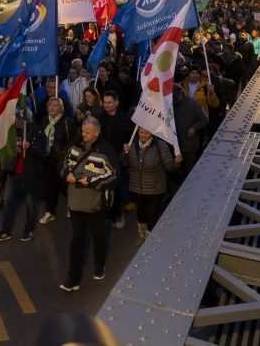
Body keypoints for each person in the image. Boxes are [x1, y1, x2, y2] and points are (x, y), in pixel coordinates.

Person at [59, 116, 117, 292]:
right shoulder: (74, 146)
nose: (84, 135)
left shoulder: (106, 150)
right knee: (76, 241)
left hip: (95, 205)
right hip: (75, 204)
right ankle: (73, 278)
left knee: (98, 238)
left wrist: (91, 181)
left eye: (88, 132)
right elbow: (63, 164)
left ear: (97, 133)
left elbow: (113, 176)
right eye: (83, 131)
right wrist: (65, 174)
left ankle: (99, 265)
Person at [0, 116, 43, 243]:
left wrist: (30, 146)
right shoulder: (10, 132)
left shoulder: (36, 130)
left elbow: (43, 151)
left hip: (30, 176)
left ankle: (29, 230)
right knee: (8, 203)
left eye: (19, 118)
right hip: (14, 173)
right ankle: (5, 230)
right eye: (14, 119)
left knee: (30, 205)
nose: (17, 121)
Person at [122, 128, 176, 244]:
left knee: (152, 216)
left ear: (152, 133)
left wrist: (176, 161)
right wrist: (125, 154)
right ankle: (141, 235)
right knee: (141, 214)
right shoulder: (131, 144)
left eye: (146, 133)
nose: (143, 135)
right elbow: (124, 164)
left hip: (155, 189)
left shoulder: (160, 145)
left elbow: (170, 167)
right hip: (137, 187)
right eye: (141, 132)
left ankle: (150, 239)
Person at [37, 96, 75, 225]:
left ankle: (72, 206)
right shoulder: (44, 120)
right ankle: (50, 212)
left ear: (61, 108)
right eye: (50, 105)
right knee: (49, 187)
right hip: (46, 160)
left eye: (55, 105)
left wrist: (66, 155)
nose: (52, 108)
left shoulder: (67, 122)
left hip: (62, 161)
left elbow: (73, 141)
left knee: (65, 186)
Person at [98, 90, 132, 229]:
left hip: (119, 160)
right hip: (103, 159)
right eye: (105, 102)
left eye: (109, 102)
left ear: (116, 103)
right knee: (104, 188)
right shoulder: (99, 118)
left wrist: (128, 146)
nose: (107, 105)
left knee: (117, 189)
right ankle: (107, 215)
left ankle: (118, 214)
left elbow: (131, 137)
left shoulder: (125, 118)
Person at [173, 83, 209, 175]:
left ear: (181, 93)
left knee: (189, 169)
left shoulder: (193, 104)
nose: (175, 100)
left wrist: (194, 128)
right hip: (175, 145)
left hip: (190, 145)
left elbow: (204, 120)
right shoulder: (171, 104)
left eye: (176, 98)